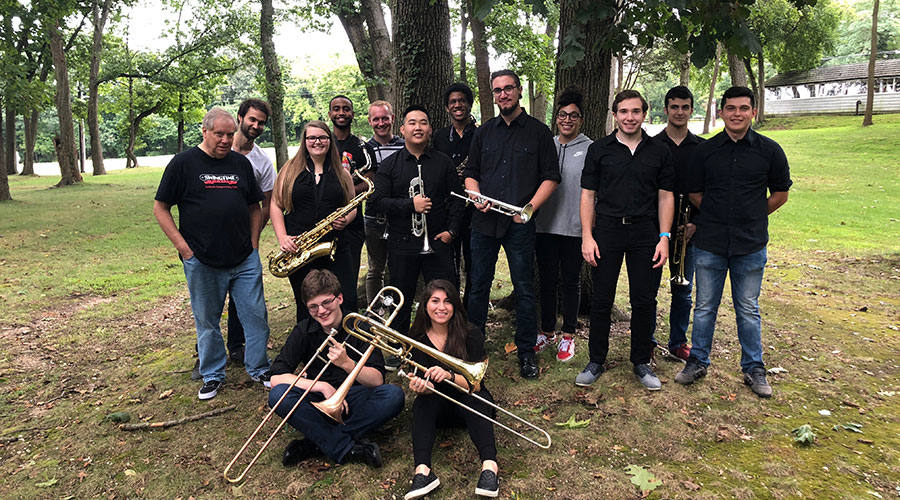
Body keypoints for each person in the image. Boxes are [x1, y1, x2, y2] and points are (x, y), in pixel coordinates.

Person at [675, 86, 791, 398]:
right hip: (710, 242)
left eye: (743, 108)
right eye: (731, 108)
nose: (737, 113)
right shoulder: (706, 152)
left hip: (750, 245)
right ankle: (697, 361)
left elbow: (780, 193)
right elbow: (695, 193)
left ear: (753, 111)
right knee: (704, 307)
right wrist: (715, 213)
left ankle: (753, 367)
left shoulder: (770, 151)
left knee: (748, 308)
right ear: (722, 112)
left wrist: (753, 213)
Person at [154, 107, 271, 400]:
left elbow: (254, 207)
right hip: (202, 260)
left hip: (244, 258)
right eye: (219, 133)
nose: (225, 139)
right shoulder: (183, 164)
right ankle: (212, 374)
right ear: (204, 131)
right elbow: (161, 208)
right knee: (207, 321)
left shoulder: (241, 165)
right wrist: (184, 249)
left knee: (255, 316)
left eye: (230, 134)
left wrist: (254, 244)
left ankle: (259, 368)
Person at [462, 69, 560, 379]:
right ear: (493, 95)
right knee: (478, 286)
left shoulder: (539, 131)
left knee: (524, 288)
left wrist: (529, 209)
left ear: (519, 91)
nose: (503, 94)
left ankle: (527, 352)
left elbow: (551, 177)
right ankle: (473, 348)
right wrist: (476, 196)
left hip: (519, 223)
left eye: (508, 89)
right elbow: (471, 172)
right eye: (498, 90)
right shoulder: (485, 131)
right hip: (484, 221)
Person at [578, 90, 675, 391]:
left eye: (635, 111)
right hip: (607, 230)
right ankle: (596, 360)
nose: (629, 117)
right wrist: (587, 236)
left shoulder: (659, 150)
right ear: (615, 115)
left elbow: (666, 196)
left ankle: (641, 361)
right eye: (623, 112)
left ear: (644, 114)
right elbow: (587, 195)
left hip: (646, 233)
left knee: (644, 300)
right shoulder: (600, 150)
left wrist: (664, 237)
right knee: (602, 299)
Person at [268, 269, 405, 467]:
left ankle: (316, 443)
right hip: (318, 401)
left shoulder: (360, 326)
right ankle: (346, 447)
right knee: (278, 395)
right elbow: (275, 378)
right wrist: (321, 386)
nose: (321, 311)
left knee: (393, 396)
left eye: (326, 302)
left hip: (355, 399)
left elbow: (376, 380)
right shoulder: (303, 331)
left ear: (339, 298)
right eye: (313, 307)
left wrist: (346, 363)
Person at [371, 105, 465, 337]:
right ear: (402, 129)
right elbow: (377, 202)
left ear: (430, 129)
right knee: (400, 297)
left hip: (437, 242)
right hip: (402, 244)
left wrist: (451, 232)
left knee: (444, 296)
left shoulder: (443, 163)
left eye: (423, 122)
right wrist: (409, 205)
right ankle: (398, 345)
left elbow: (456, 200)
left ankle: (446, 344)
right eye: (412, 123)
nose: (418, 127)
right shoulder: (389, 164)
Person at [403, 280, 499, 499]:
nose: (441, 307)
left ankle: (490, 468)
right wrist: (421, 387)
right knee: (421, 404)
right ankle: (423, 472)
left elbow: (476, 383)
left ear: (455, 305)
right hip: (438, 407)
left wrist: (449, 375)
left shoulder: (470, 333)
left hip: (468, 400)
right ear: (425, 305)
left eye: (447, 301)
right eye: (434, 301)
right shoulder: (415, 338)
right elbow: (421, 382)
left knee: (479, 399)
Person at [270, 121, 358, 325]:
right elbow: (275, 204)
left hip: (336, 248)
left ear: (330, 141)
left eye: (322, 137)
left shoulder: (341, 173)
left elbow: (352, 205)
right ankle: (311, 352)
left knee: (346, 300)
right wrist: (282, 237)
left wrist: (346, 219)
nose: (317, 142)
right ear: (305, 141)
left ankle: (344, 348)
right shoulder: (289, 170)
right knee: (307, 304)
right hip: (300, 249)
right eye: (312, 138)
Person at [533, 87, 592, 363]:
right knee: (546, 281)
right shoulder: (546, 144)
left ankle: (569, 334)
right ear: (556, 118)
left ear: (581, 119)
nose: (567, 120)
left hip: (574, 229)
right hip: (544, 226)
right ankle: (547, 331)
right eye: (562, 115)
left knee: (571, 282)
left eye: (573, 116)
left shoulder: (590, 148)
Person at [655, 86, 705, 362]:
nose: (679, 112)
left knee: (683, 291)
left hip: (689, 231)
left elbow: (709, 193)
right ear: (666, 109)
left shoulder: (703, 148)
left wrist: (695, 224)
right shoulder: (651, 145)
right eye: (674, 106)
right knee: (647, 291)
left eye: (685, 107)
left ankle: (677, 342)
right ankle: (648, 341)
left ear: (691, 109)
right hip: (655, 230)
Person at [329, 94, 375, 315]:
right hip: (322, 222)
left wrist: (347, 193)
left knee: (348, 279)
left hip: (353, 224)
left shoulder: (362, 146)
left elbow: (371, 181)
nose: (341, 113)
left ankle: (348, 323)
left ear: (352, 114)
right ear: (330, 114)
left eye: (345, 109)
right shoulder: (322, 142)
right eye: (336, 109)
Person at [432, 83, 477, 301]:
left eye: (462, 100)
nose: (458, 105)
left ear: (469, 103)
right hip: (447, 209)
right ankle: (451, 307)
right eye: (453, 102)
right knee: (448, 265)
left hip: (474, 208)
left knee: (473, 264)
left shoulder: (481, 134)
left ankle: (469, 309)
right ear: (447, 107)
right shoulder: (439, 137)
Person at [364, 101, 405, 306]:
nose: (381, 123)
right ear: (370, 121)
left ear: (393, 119)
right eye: (376, 119)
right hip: (374, 218)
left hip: (401, 216)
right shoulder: (364, 149)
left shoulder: (404, 144)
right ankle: (376, 317)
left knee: (400, 268)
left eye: (385, 118)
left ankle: (397, 315)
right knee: (375, 270)